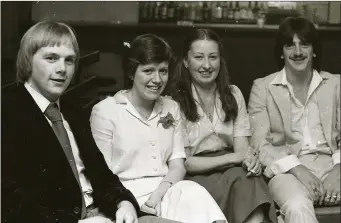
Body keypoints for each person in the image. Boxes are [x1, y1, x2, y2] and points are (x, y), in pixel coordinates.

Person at [2, 20, 179, 223]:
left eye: (69, 61)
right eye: (51, 58)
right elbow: (10, 203)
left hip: (104, 214)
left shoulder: (72, 110)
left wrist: (123, 202)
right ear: (27, 61)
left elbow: (102, 174)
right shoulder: (7, 110)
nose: (62, 69)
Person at [90, 33, 227, 223]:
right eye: (148, 71)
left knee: (193, 191)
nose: (157, 79)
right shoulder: (106, 111)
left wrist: (157, 196)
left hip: (165, 189)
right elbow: (101, 175)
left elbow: (177, 165)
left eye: (163, 71)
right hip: (124, 197)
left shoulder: (171, 107)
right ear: (131, 73)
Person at [167, 28, 277, 223]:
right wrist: (235, 158)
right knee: (243, 182)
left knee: (249, 179)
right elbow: (186, 163)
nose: (207, 65)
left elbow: (242, 148)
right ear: (186, 61)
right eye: (199, 57)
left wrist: (249, 161)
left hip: (233, 171)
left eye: (213, 57)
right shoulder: (174, 102)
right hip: (197, 176)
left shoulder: (233, 94)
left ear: (220, 60)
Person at [248, 16, 340, 223]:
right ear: (281, 52)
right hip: (287, 171)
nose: (297, 52)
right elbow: (260, 144)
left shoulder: (336, 85)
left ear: (314, 50)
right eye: (290, 46)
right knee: (297, 206)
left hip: (333, 165)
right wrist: (298, 169)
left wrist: (338, 169)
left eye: (304, 45)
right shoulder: (262, 88)